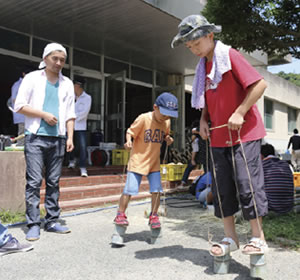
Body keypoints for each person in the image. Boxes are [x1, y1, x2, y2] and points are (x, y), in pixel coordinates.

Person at [172, 14, 268, 256]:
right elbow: (208, 97)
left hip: (244, 133)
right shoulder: (204, 65)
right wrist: (204, 119)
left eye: (196, 43)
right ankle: (231, 238)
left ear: (210, 35)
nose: (193, 49)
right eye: (189, 46)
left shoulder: (230, 55)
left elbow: (259, 85)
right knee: (222, 187)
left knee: (247, 184)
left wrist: (240, 111)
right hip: (217, 136)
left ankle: (258, 238)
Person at [14, 43, 76, 241]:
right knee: (33, 182)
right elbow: (19, 106)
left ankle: (51, 221)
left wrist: (70, 137)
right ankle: (33, 223)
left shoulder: (67, 83)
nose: (58, 63)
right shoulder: (32, 78)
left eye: (62, 60)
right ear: (45, 59)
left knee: (53, 181)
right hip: (35, 137)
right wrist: (44, 115)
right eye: (54, 58)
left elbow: (70, 114)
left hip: (58, 138)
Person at [114, 92, 178, 229]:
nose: (165, 117)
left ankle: (154, 215)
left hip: (154, 162)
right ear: (155, 107)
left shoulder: (166, 122)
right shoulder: (143, 118)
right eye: (164, 113)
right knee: (130, 189)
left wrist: (168, 139)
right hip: (138, 160)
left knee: (157, 190)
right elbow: (130, 132)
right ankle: (120, 214)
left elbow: (166, 134)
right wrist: (128, 141)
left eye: (169, 115)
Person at [68, 77, 92, 177]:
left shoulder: (87, 98)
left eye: (74, 85)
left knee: (82, 147)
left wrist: (72, 117)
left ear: (78, 86)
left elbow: (84, 113)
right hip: (69, 126)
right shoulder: (70, 97)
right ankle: (71, 161)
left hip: (80, 126)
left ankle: (83, 167)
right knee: (70, 145)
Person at [261, 143, 294, 214]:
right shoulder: (285, 164)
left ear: (261, 155)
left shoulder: (262, 165)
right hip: (288, 207)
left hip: (270, 207)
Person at [8, 67, 33, 146]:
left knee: (29, 135)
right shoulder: (17, 85)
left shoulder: (30, 84)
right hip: (22, 114)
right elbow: (14, 100)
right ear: (23, 74)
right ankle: (20, 153)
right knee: (22, 135)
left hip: (30, 113)